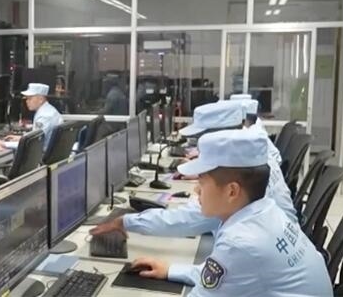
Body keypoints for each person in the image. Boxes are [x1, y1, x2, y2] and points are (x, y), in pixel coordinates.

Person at [125, 130, 332, 297]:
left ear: (232, 191)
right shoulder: (267, 211)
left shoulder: (240, 242)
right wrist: (170, 270)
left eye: (202, 182)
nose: (196, 190)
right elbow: (229, 274)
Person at [90, 101, 297, 239]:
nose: (197, 144)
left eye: (201, 139)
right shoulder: (251, 158)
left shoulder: (241, 178)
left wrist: (126, 222)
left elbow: (188, 220)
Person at [0, 83, 62, 151]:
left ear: (41, 99)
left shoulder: (44, 117)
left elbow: (34, 143)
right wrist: (22, 138)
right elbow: (36, 137)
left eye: (30, 98)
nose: (27, 101)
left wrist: (4, 143)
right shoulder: (48, 110)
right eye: (26, 98)